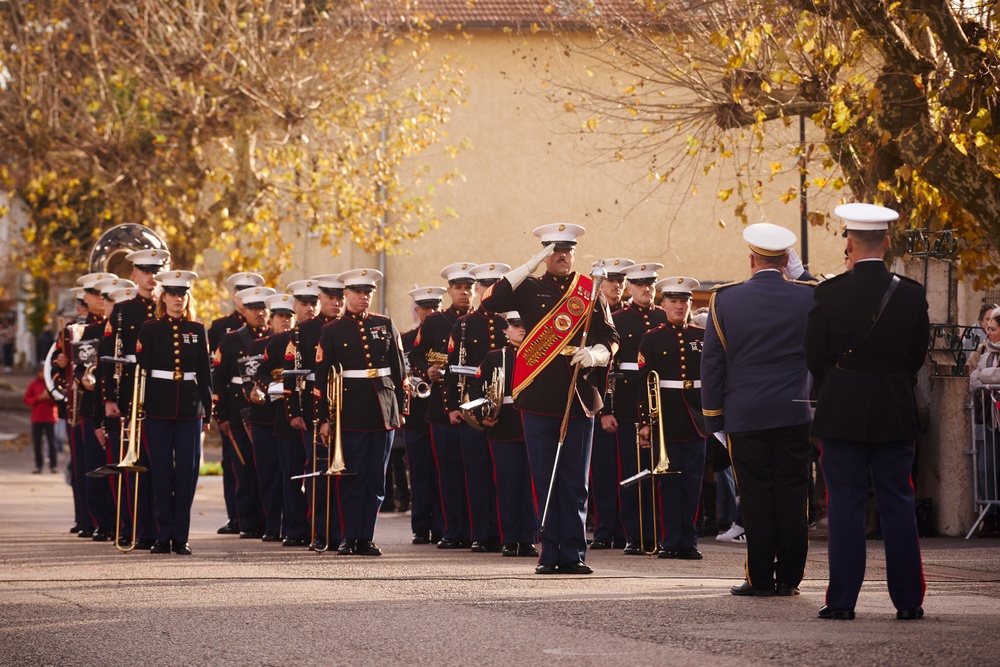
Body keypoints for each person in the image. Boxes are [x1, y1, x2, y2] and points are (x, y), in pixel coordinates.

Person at [806, 202, 929, 621]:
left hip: (843, 407)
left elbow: (815, 356)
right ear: (888, 242)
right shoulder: (912, 294)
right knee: (898, 502)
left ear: (849, 242)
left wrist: (840, 381)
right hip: (894, 406)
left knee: (844, 505)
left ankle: (842, 600)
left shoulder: (830, 292)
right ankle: (909, 601)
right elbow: (916, 356)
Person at [481, 222, 619, 575]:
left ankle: (573, 553)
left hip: (579, 393)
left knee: (575, 480)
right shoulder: (529, 288)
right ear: (546, 255)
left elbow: (611, 336)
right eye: (555, 251)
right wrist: (529, 264)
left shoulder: (590, 291)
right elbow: (491, 301)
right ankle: (550, 553)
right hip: (538, 392)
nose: (562, 256)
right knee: (546, 477)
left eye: (567, 251)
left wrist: (598, 354)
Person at [701, 222, 815, 597]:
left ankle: (760, 577)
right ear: (787, 260)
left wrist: (713, 417)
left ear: (751, 259)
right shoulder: (808, 296)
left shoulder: (725, 299)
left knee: (755, 495)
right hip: (795, 411)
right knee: (793, 494)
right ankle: (790, 580)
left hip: (744, 413)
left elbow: (713, 364)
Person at [314, 268, 407, 556]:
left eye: (368, 292)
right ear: (346, 294)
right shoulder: (331, 330)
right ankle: (348, 537)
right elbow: (321, 378)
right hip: (349, 411)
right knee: (351, 477)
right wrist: (325, 420)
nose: (363, 297)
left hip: (383, 408)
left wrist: (401, 408)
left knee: (375, 479)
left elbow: (400, 369)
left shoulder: (385, 323)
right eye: (358, 292)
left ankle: (366, 537)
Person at [137, 270, 213, 554]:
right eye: (172, 294)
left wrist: (207, 411)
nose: (178, 299)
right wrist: (138, 409)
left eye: (182, 295)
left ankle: (181, 536)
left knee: (187, 473)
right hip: (157, 407)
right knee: (160, 473)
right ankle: (161, 534)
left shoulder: (197, 329)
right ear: (164, 298)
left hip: (190, 410)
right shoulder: (150, 329)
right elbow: (141, 372)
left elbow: (205, 375)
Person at [100, 248, 170, 550]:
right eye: (146, 271)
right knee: (135, 463)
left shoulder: (169, 307)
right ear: (135, 275)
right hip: (131, 392)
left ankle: (159, 529)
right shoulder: (123, 310)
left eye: (156, 271)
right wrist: (109, 399)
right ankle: (137, 529)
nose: (151, 277)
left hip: (162, 394)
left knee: (161, 465)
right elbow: (109, 357)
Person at [636, 276, 706, 560]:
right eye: (673, 301)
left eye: (684, 301)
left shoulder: (701, 337)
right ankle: (670, 540)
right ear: (662, 304)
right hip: (666, 417)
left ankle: (688, 541)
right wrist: (644, 422)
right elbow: (643, 382)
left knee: (693, 481)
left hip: (697, 417)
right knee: (668, 484)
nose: (679, 306)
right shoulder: (652, 337)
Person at [411, 262, 477, 549]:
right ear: (449, 291)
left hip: (476, 408)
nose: (464, 293)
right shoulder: (435, 322)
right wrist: (427, 371)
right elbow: (415, 357)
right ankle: (452, 530)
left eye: (469, 288)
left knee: (475, 473)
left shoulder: (482, 320)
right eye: (459, 288)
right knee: (448, 474)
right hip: (441, 409)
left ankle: (477, 530)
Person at [446, 261, 510, 552]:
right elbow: (452, 370)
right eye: (485, 287)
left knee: (508, 473)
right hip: (472, 404)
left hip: (507, 406)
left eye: (495, 287)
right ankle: (481, 533)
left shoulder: (513, 320)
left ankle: (507, 533)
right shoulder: (464, 323)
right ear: (479, 290)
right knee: (477, 473)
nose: (489, 292)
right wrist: (454, 406)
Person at [607, 262, 667, 555]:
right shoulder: (617, 318)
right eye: (641, 285)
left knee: (662, 473)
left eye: (651, 284)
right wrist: (606, 409)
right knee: (632, 471)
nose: (647, 290)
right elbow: (605, 369)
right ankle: (634, 535)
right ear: (629, 288)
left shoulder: (663, 316)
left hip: (663, 408)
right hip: (628, 404)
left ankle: (661, 534)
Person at [470, 310, 538, 557]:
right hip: (503, 427)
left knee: (530, 486)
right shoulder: (493, 357)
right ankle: (509, 538)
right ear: (505, 330)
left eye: (524, 324)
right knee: (508, 485)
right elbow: (477, 388)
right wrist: (482, 416)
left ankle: (528, 538)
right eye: (515, 325)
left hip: (534, 425)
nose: (521, 329)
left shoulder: (540, 354)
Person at [284, 273, 345, 551]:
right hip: (313, 407)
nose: (336, 302)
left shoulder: (350, 327)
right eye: (331, 297)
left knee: (346, 473)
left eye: (340, 297)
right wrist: (294, 411)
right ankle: (319, 531)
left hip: (348, 408)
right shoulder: (304, 330)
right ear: (321, 298)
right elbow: (292, 374)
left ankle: (345, 531)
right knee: (319, 472)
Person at [212, 285, 275, 540]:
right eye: (254, 309)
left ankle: (269, 520)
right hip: (239, 411)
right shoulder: (230, 340)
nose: (260, 313)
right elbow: (219, 381)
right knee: (244, 468)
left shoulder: (275, 338)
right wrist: (222, 417)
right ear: (244, 311)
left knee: (268, 469)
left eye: (263, 308)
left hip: (268, 409)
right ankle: (246, 521)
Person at [267, 279, 321, 547]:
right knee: (291, 474)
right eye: (304, 304)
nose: (309, 309)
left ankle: (316, 527)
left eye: (314, 303)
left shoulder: (327, 331)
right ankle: (293, 527)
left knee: (316, 473)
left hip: (317, 412)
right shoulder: (280, 341)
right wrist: (291, 411)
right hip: (289, 414)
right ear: (295, 306)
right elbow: (269, 375)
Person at [588, 257, 633, 550]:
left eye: (621, 282)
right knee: (602, 473)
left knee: (628, 473)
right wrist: (602, 410)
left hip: (630, 406)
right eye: (611, 282)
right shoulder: (592, 314)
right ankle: (604, 530)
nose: (616, 286)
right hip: (599, 402)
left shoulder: (634, 318)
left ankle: (627, 532)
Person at [245, 293, 295, 543]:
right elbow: (253, 378)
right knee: (268, 474)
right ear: (271, 319)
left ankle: (292, 525)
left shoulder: (298, 341)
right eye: (280, 316)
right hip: (264, 416)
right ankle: (272, 524)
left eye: (289, 316)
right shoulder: (258, 345)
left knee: (289, 473)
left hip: (287, 417)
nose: (285, 321)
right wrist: (259, 389)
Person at [400, 286, 447, 545]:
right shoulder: (405, 340)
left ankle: (441, 526)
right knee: (418, 472)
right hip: (416, 414)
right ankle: (420, 527)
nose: (431, 313)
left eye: (435, 307)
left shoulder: (448, 335)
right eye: (425, 308)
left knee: (441, 471)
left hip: (440, 410)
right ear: (416, 311)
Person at [970, 306, 1000, 537]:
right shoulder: (984, 352)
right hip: (990, 417)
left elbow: (983, 376)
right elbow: (973, 379)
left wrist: (986, 377)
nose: (987, 332)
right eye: (987, 327)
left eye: (992, 328)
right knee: (985, 467)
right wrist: (987, 377)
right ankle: (989, 516)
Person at [24, 364, 59, 473]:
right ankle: (38, 465)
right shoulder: (33, 385)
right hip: (37, 418)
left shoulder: (51, 384)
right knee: (37, 443)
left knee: (52, 442)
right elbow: (26, 399)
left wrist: (48, 398)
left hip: (49, 417)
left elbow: (58, 399)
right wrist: (38, 398)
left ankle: (53, 465)